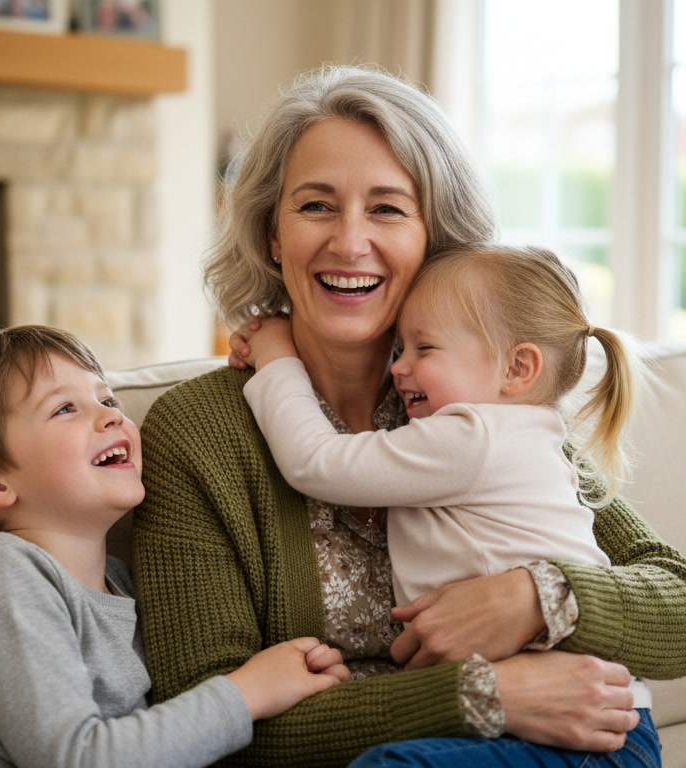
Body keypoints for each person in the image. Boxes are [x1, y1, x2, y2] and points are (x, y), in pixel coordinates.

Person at [132, 64, 686, 767]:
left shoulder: (478, 402)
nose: (350, 242)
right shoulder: (195, 437)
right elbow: (205, 722)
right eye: (317, 206)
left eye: (387, 209)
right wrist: (482, 694)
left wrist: (534, 598)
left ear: (434, 238)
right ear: (271, 236)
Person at [237, 245, 658, 766]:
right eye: (399, 348)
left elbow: (316, 462)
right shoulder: (524, 431)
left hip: (583, 732)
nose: (400, 368)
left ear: (517, 367)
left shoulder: (472, 436)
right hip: (563, 725)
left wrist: (276, 357)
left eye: (424, 349)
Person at [0, 325, 349, 768]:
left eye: (109, 401)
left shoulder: (125, 585)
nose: (111, 418)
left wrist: (292, 675)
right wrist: (247, 693)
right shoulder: (1, 573)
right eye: (65, 408)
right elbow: (77, 757)